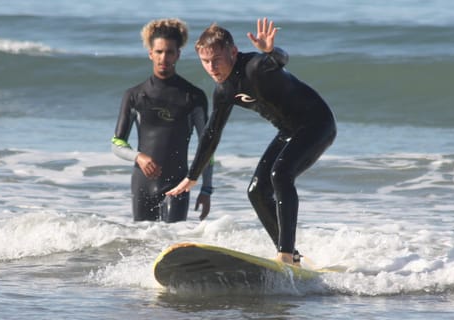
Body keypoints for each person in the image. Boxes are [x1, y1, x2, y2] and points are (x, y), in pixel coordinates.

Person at [166, 18, 336, 266]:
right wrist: (193, 175)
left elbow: (280, 60)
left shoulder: (255, 66)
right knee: (256, 191)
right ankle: (293, 255)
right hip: (288, 131)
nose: (211, 67)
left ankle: (285, 255)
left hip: (317, 124)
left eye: (216, 59)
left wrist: (270, 50)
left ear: (233, 52)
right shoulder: (223, 90)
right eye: (205, 61)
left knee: (280, 174)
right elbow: (212, 132)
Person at [112, 18, 214, 223]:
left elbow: (207, 146)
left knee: (172, 241)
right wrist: (138, 157)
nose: (163, 58)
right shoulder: (134, 95)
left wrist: (206, 189)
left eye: (169, 52)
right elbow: (117, 143)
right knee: (141, 244)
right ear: (150, 53)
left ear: (178, 54)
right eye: (158, 52)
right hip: (143, 184)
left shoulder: (193, 96)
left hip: (178, 183)